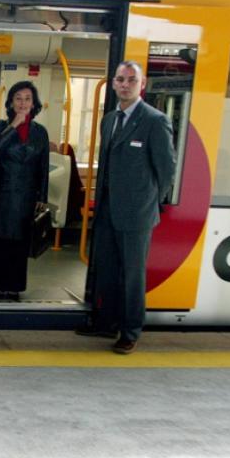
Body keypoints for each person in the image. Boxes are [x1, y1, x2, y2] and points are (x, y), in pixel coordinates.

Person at [77, 60, 176, 354]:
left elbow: (166, 170)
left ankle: (130, 331)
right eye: (120, 79)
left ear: (141, 85)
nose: (124, 84)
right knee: (106, 270)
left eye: (131, 80)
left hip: (137, 214)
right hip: (107, 211)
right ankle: (105, 323)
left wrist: (149, 205)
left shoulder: (154, 120)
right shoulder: (109, 120)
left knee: (132, 275)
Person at [0, 80, 50, 301]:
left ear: (34, 103)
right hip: (2, 194)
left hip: (27, 196)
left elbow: (44, 167)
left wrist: (43, 196)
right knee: (0, 242)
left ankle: (15, 286)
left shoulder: (40, 132)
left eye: (27, 99)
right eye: (18, 98)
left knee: (20, 244)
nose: (23, 103)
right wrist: (14, 125)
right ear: (11, 102)